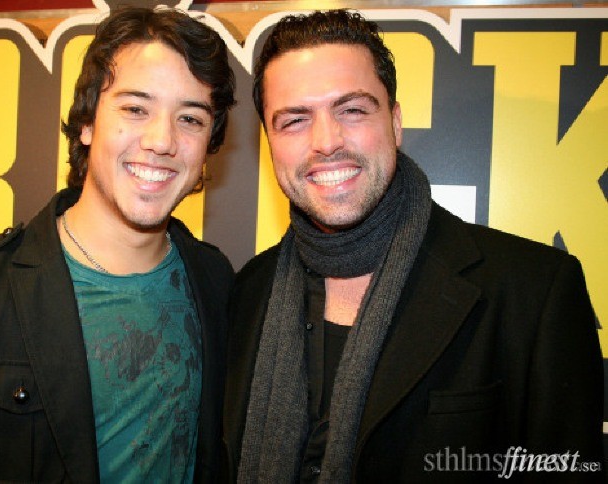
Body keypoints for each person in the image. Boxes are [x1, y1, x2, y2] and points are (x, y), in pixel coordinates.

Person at [222, 9, 603, 483]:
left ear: (395, 122)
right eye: (294, 120)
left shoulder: (534, 291)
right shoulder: (247, 293)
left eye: (352, 110)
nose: (326, 141)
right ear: (270, 143)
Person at [0, 6, 235, 483]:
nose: (162, 140)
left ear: (208, 145)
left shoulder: (218, 282)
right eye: (135, 109)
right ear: (87, 123)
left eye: (190, 118)